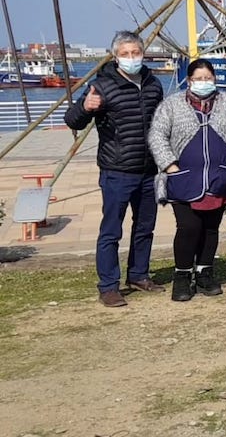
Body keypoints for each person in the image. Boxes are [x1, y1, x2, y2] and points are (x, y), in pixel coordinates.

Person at [63, 30, 165, 307]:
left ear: (143, 54)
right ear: (115, 56)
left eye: (136, 53)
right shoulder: (102, 85)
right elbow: (72, 120)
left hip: (149, 170)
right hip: (117, 170)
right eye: (125, 54)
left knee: (145, 227)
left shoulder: (154, 84)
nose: (131, 58)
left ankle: (138, 274)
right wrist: (86, 107)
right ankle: (108, 286)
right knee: (111, 230)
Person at [147, 59, 226, 302]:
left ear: (214, 79)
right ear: (189, 80)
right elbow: (157, 135)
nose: (203, 83)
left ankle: (205, 272)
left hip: (221, 176)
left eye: (208, 78)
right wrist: (170, 166)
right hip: (183, 178)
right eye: (198, 78)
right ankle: (182, 276)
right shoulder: (172, 105)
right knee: (188, 227)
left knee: (210, 228)